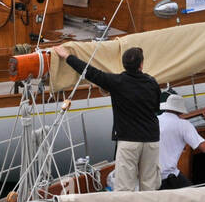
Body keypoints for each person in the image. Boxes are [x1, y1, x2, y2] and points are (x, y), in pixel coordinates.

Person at [53, 45, 161, 191]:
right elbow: (155, 108)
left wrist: (67, 56)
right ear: (141, 64)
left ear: (124, 65)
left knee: (125, 188)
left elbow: (89, 72)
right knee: (150, 186)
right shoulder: (152, 83)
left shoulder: (116, 82)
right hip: (151, 140)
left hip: (129, 141)